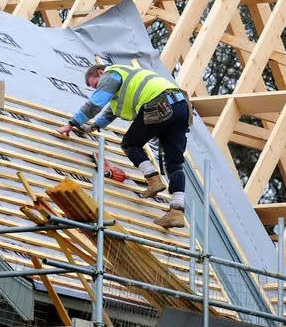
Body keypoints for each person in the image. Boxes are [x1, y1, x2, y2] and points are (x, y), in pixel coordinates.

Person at [56, 63, 191, 228]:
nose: (97, 89)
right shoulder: (128, 80)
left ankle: (154, 180)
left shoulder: (112, 74)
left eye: (96, 85)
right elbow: (111, 112)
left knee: (130, 144)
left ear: (100, 72)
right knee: (175, 164)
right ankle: (177, 212)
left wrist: (72, 123)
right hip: (181, 105)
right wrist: (92, 127)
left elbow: (95, 104)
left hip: (160, 104)